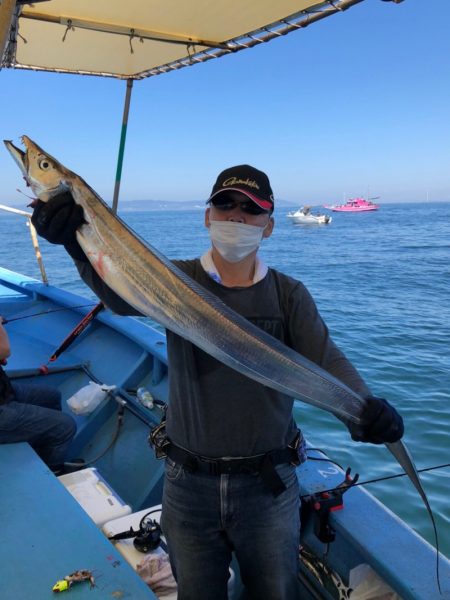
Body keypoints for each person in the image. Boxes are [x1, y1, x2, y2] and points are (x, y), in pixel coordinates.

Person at [31, 165, 404, 600]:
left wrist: (366, 407)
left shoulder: (288, 296)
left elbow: (326, 357)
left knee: (274, 593)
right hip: (188, 484)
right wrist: (77, 247)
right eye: (225, 204)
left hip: (269, 486)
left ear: (268, 227)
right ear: (208, 216)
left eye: (252, 209)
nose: (236, 216)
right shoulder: (174, 280)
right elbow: (118, 293)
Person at [0, 317, 77, 472]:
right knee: (66, 426)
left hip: (4, 391)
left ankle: (44, 444)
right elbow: (4, 350)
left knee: (52, 396)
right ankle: (53, 472)